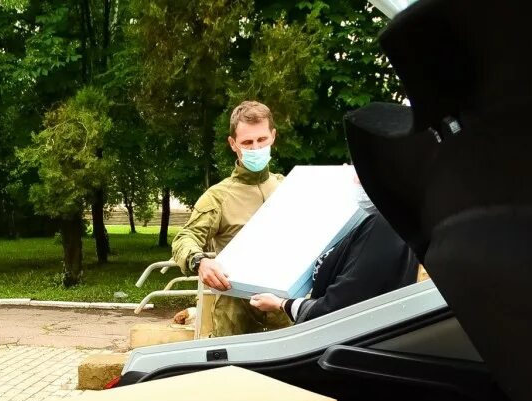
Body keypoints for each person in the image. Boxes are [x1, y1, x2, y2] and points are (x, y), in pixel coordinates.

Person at [171, 100, 291, 337]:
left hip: (285, 312)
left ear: (273, 137)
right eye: (247, 142)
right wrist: (200, 262)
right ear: (233, 144)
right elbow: (184, 238)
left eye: (261, 140)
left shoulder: (288, 188)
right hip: (236, 316)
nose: (256, 148)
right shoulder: (218, 196)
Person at [250, 183, 419, 323]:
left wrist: (281, 303)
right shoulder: (386, 221)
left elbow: (339, 306)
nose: (354, 179)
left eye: (358, 173)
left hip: (350, 346)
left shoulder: (383, 226)